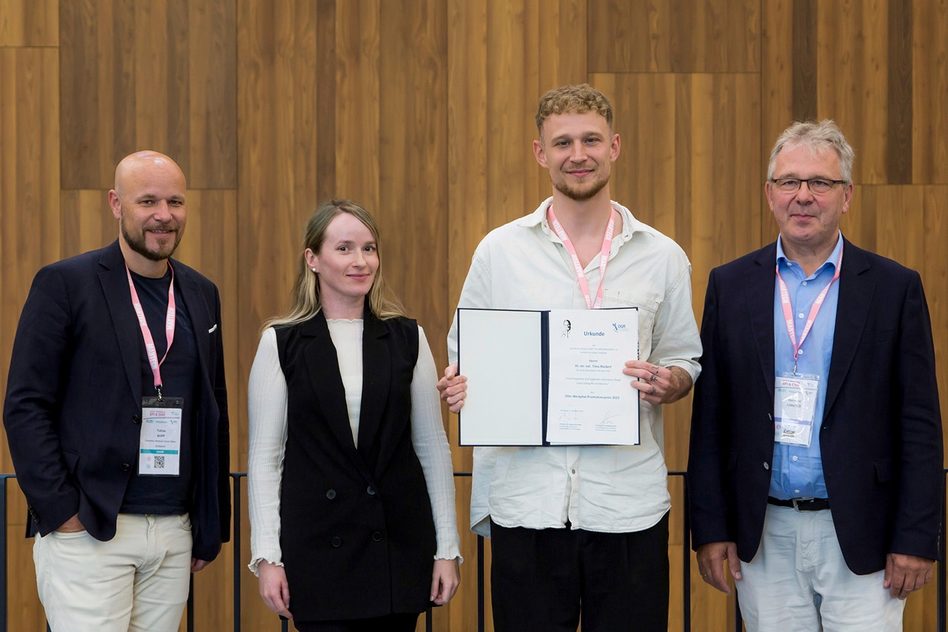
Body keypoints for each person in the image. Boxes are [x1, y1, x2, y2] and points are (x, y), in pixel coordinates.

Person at [437, 83, 702, 632]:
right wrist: (461, 386)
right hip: (527, 507)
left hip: (628, 506)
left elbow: (685, 359)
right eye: (562, 143)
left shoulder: (663, 257)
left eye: (590, 140)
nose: (577, 154)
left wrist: (669, 380)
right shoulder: (499, 252)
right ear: (540, 153)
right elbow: (466, 354)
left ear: (615, 147)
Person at [687, 120, 943, 631]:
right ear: (769, 194)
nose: (803, 196)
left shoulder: (894, 288)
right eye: (789, 182)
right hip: (765, 534)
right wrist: (710, 528)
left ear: (846, 196)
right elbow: (710, 418)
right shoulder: (730, 285)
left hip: (863, 535)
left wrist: (916, 537)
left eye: (820, 183)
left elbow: (919, 422)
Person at [3, 150, 231, 631]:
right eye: (147, 200)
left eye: (175, 201)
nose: (163, 215)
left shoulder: (201, 292)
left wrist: (209, 524)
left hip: (173, 531)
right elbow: (25, 406)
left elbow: (213, 410)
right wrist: (62, 512)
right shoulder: (65, 284)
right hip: (90, 527)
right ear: (115, 203)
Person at [247, 199, 461, 631]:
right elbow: (265, 457)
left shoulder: (407, 337)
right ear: (313, 259)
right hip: (317, 551)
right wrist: (267, 556)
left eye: (369, 248)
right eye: (344, 248)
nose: (360, 261)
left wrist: (446, 548)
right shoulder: (281, 343)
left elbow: (431, 447)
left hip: (396, 547)